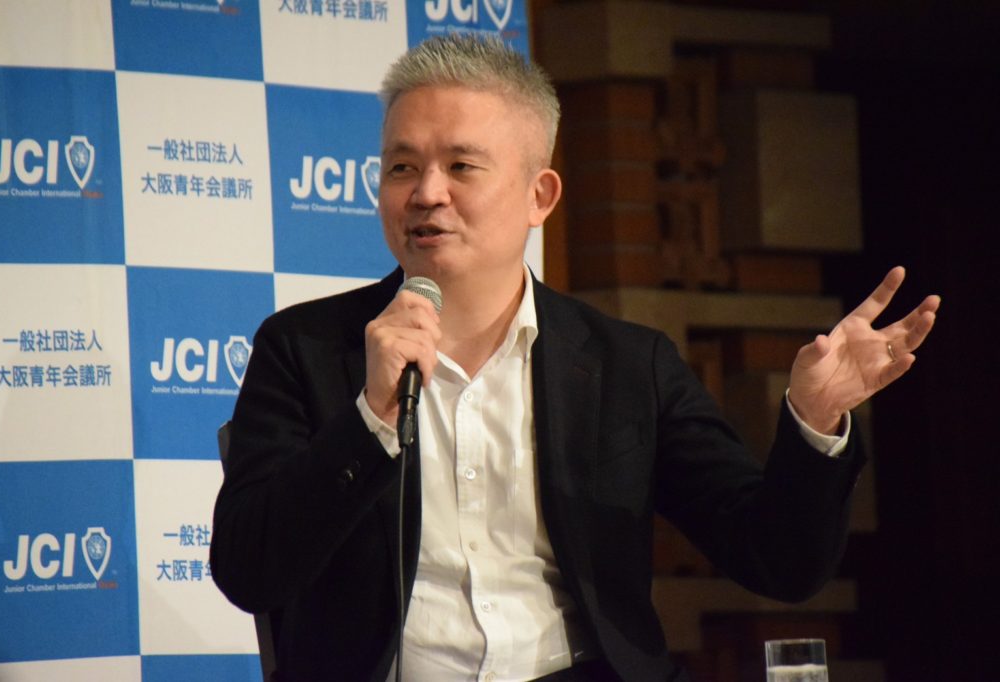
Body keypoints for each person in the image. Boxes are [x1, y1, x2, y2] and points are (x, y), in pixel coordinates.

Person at [210, 35, 940, 682]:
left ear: (540, 195)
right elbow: (248, 571)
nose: (427, 193)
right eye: (402, 166)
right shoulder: (304, 348)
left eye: (461, 165)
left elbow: (777, 561)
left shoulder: (628, 366)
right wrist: (371, 417)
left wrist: (815, 420)